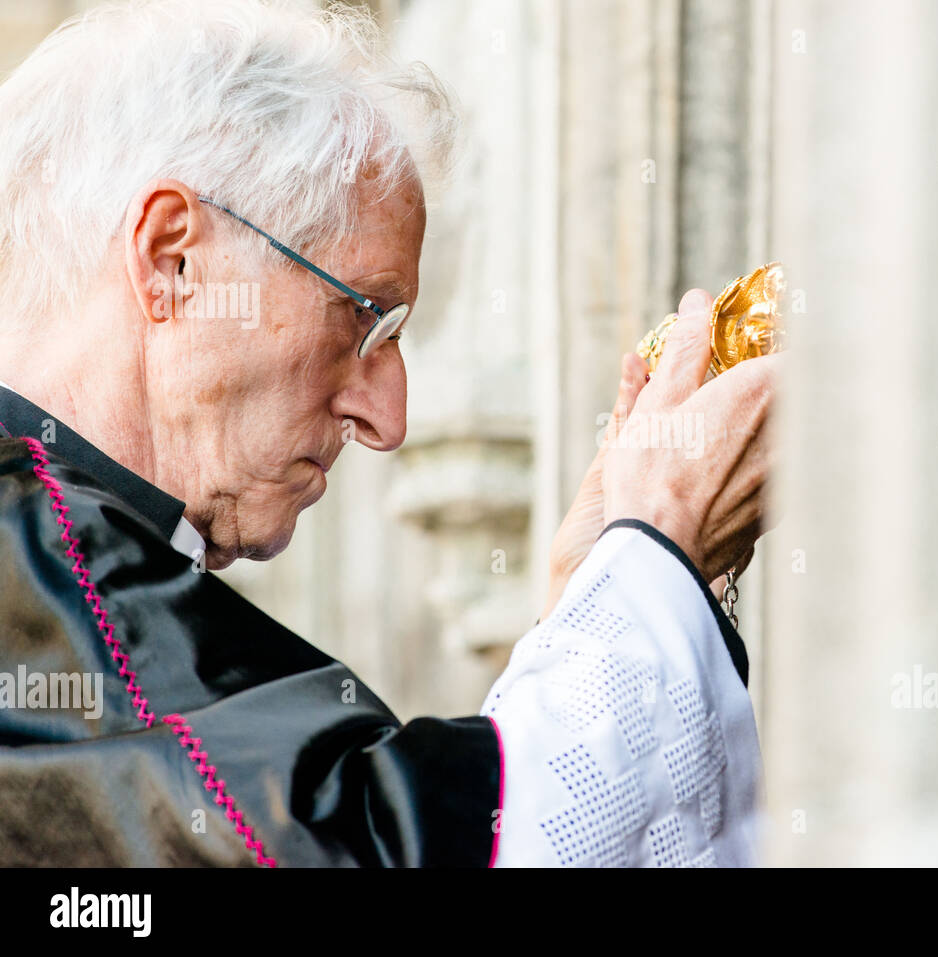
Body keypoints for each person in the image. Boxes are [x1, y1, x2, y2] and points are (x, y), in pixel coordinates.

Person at [0, 0, 777, 866]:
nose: (388, 420)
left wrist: (590, 612)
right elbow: (368, 850)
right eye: (363, 317)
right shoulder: (36, 551)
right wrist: (658, 550)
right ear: (173, 259)